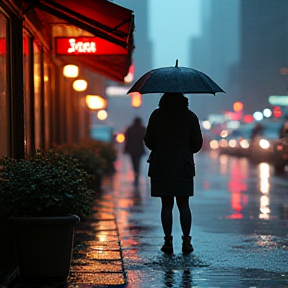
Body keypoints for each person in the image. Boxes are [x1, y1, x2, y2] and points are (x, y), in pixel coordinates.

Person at [144, 92, 203, 254]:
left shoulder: (156, 116)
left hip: (162, 164)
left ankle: (168, 240)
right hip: (183, 164)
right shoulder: (190, 117)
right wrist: (184, 150)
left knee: (166, 204)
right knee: (184, 204)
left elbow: (149, 141)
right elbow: (197, 144)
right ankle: (186, 241)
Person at [124, 117, 146, 185]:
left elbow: (127, 140)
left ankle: (135, 173)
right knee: (138, 162)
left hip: (132, 149)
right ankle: (137, 174)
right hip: (139, 149)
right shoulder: (142, 129)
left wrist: (126, 148)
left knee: (134, 162)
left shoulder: (130, 129)